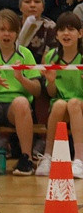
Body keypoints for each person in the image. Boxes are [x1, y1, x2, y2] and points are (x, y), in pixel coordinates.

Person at [0, 8, 42, 176]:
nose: (7, 34)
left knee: (21, 102)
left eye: (11, 30)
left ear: (17, 33)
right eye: (2, 29)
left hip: (15, 108)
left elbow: (37, 90)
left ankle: (26, 159)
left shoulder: (25, 55)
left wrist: (21, 78)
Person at [37, 11, 83, 177]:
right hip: (61, 106)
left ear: (80, 33)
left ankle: (79, 159)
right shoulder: (51, 57)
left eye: (71, 29)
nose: (66, 33)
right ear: (56, 35)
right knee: (59, 104)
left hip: (80, 105)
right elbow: (51, 93)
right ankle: (48, 156)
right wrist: (51, 80)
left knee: (73, 103)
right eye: (62, 29)